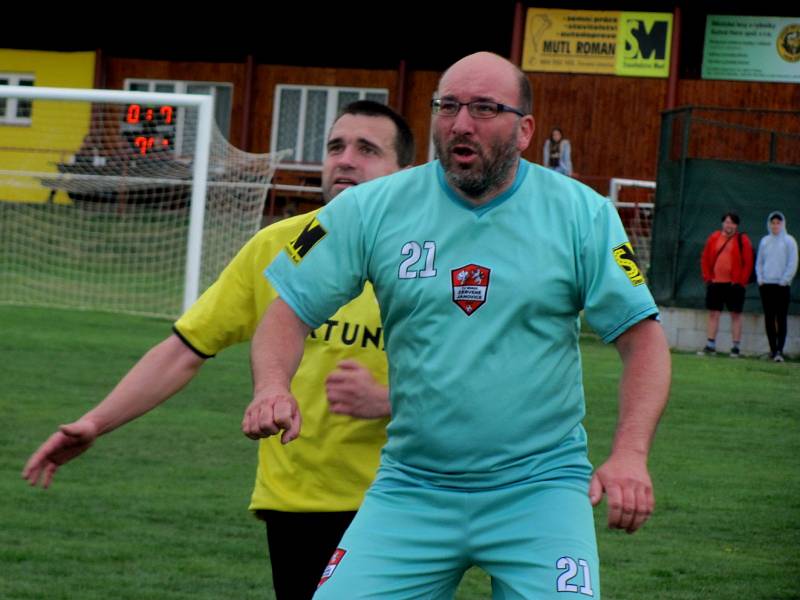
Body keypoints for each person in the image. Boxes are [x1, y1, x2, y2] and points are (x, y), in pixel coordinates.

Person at [245, 52, 671, 599]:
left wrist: (631, 453)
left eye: (484, 108)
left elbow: (643, 341)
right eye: (448, 106)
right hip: (411, 488)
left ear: (524, 130)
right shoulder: (371, 209)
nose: (460, 124)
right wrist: (272, 386)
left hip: (540, 490)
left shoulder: (580, 213)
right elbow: (289, 310)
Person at [22, 100, 416, 600]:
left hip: (400, 502)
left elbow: (487, 381)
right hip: (296, 505)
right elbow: (186, 348)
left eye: (367, 149)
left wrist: (387, 400)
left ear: (405, 172)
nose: (344, 159)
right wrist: (95, 422)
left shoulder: (427, 257)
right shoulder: (278, 246)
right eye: (335, 146)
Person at [698, 212, 754, 357]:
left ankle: (735, 347)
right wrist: (707, 277)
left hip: (734, 285)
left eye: (732, 223)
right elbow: (705, 258)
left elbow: (748, 263)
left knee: (735, 315)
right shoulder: (714, 237)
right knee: (713, 314)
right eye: (727, 222)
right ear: (723, 223)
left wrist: (741, 282)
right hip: (716, 282)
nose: (729, 225)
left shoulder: (743, 240)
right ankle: (710, 346)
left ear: (736, 226)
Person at [755, 211, 797, 362]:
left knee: (781, 318)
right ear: (769, 224)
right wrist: (760, 279)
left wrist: (785, 280)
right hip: (766, 285)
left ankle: (780, 350)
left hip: (782, 286)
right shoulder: (765, 241)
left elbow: (792, 263)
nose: (775, 225)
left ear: (783, 224)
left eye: (778, 223)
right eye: (773, 223)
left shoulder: (789, 241)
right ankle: (773, 350)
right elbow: (759, 262)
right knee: (769, 318)